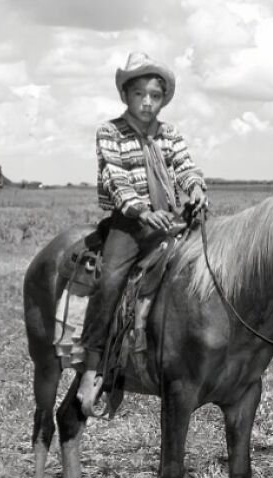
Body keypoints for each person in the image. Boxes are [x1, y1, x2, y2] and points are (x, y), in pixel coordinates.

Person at [76, 52, 208, 416]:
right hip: (131, 224)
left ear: (163, 98)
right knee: (110, 280)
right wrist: (144, 213)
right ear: (125, 96)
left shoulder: (170, 134)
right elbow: (116, 181)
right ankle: (92, 365)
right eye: (139, 94)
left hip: (170, 219)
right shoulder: (110, 131)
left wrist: (195, 187)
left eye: (155, 95)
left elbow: (185, 166)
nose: (147, 102)